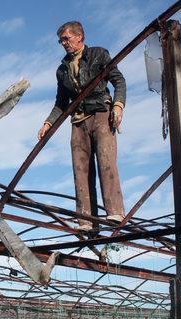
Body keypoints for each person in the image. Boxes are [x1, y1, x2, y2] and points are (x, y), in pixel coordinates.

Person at [38, 21, 126, 232]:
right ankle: (85, 219)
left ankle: (114, 211)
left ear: (80, 37)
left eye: (66, 39)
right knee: (81, 169)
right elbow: (61, 102)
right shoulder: (62, 70)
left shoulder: (98, 55)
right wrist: (48, 122)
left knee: (106, 160)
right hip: (78, 121)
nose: (64, 43)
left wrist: (118, 105)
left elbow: (118, 81)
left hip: (101, 114)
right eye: (61, 40)